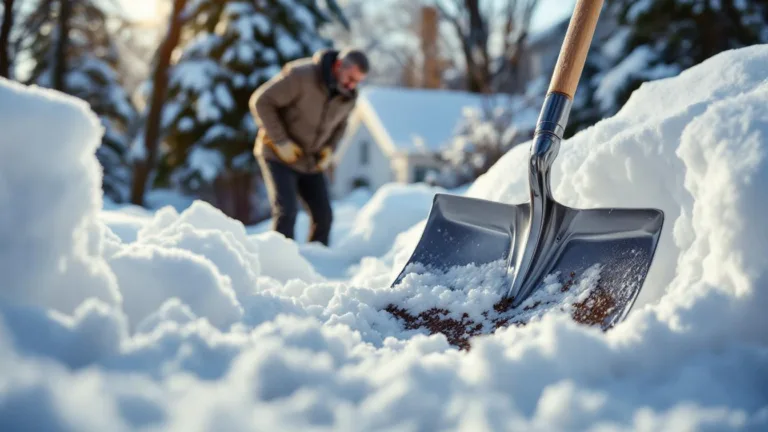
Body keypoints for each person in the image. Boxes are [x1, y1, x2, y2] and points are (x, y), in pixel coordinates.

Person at [249, 48, 368, 246]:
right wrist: (281, 141)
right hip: (278, 155)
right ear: (338, 66)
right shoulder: (301, 76)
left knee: (324, 216)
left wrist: (330, 149)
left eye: (357, 81)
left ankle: (317, 261)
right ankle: (280, 261)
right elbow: (261, 101)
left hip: (310, 160)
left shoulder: (349, 96)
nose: (351, 85)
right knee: (287, 211)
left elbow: (342, 125)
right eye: (350, 78)